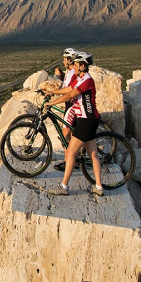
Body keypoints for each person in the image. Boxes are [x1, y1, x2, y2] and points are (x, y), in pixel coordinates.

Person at [43, 50, 104, 196]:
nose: (74, 66)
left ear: (83, 65)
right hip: (90, 119)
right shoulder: (80, 78)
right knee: (93, 154)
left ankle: (63, 187)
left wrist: (52, 103)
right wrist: (53, 92)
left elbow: (71, 95)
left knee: (70, 152)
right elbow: (69, 88)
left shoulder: (87, 80)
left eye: (76, 64)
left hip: (86, 120)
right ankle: (99, 187)